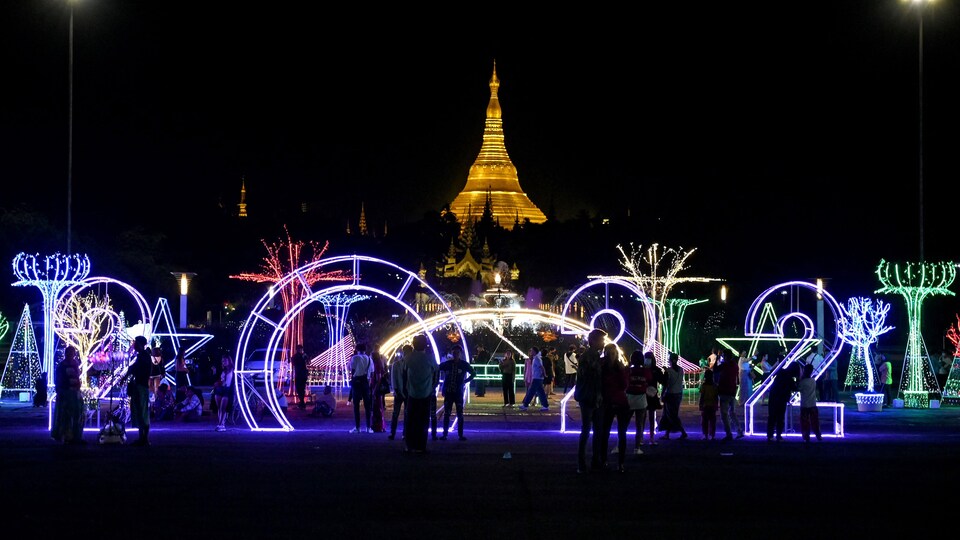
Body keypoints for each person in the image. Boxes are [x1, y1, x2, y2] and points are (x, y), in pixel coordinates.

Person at [575, 328, 606, 473]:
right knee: (588, 430)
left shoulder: (595, 356)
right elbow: (588, 376)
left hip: (594, 397)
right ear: (593, 341)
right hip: (589, 397)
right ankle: (583, 463)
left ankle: (593, 461)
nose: (604, 343)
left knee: (594, 430)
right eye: (602, 340)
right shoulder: (589, 356)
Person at [598, 343, 631, 473]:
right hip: (611, 402)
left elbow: (624, 385)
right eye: (609, 353)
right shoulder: (612, 367)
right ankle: (610, 461)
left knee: (617, 433)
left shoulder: (611, 367)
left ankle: (617, 462)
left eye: (613, 353)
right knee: (608, 432)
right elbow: (623, 385)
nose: (611, 356)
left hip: (615, 402)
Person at [403, 335, 438, 454]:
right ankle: (421, 445)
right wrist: (433, 386)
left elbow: (404, 371)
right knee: (423, 421)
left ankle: (409, 445)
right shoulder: (430, 358)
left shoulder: (409, 358)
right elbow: (436, 371)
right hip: (426, 393)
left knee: (411, 420)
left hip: (412, 393)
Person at [438, 347, 476, 440]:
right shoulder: (447, 364)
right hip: (449, 392)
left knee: (459, 413)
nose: (456, 354)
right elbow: (436, 368)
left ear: (460, 354)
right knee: (447, 413)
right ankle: (445, 434)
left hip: (458, 392)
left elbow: (473, 373)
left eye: (457, 353)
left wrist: (464, 381)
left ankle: (460, 434)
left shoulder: (463, 364)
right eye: (454, 353)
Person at [51, 345, 84, 444]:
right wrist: (60, 390)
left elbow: (77, 377)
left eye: (73, 353)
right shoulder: (62, 366)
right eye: (70, 353)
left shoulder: (75, 364)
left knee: (77, 414)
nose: (71, 355)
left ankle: (75, 435)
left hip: (74, 392)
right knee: (65, 415)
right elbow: (59, 380)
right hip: (66, 392)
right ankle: (66, 435)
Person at [128, 336, 154, 446]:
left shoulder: (144, 356)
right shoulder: (142, 356)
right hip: (139, 385)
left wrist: (131, 373)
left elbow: (137, 369)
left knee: (142, 411)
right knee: (139, 410)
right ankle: (141, 437)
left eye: (135, 342)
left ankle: (145, 438)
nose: (133, 344)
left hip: (141, 386)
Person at [767, 360, 801, 441]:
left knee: (772, 416)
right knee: (780, 417)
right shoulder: (789, 377)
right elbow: (795, 388)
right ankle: (778, 435)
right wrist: (799, 380)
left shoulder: (781, 371)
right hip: (782, 399)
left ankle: (770, 435)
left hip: (773, 396)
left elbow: (772, 372)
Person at [658, 353, 689, 440]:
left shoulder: (669, 371)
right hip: (679, 394)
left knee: (672, 415)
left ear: (671, 360)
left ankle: (683, 432)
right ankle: (667, 434)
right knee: (670, 414)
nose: (668, 360)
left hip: (671, 394)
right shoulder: (681, 370)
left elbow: (665, 384)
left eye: (669, 359)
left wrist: (662, 394)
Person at [716, 349, 744, 440]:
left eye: (724, 355)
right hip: (732, 391)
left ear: (726, 356)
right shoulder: (735, 365)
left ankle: (729, 434)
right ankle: (739, 430)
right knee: (732, 413)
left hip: (724, 391)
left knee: (724, 414)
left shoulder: (725, 365)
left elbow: (715, 369)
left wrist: (718, 357)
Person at [625, 350, 649, 455]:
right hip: (641, 399)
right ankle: (637, 447)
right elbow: (649, 379)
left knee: (624, 424)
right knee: (639, 425)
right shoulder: (645, 371)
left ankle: (619, 445)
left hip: (629, 398)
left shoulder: (628, 370)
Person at [348, 343, 374, 433]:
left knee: (356, 406)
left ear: (357, 349)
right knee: (367, 406)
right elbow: (372, 372)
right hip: (365, 383)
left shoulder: (355, 358)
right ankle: (368, 427)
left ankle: (357, 427)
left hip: (356, 382)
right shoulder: (369, 359)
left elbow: (352, 369)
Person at [388, 345, 411, 439]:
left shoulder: (411, 364)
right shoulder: (396, 364)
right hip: (399, 391)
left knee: (407, 413)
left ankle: (405, 433)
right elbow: (393, 378)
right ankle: (393, 433)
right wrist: (395, 389)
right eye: (406, 352)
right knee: (395, 413)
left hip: (408, 391)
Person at [519, 347, 549, 411]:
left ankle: (525, 405)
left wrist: (544, 374)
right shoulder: (536, 358)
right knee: (541, 392)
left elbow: (542, 367)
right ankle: (545, 405)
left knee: (531, 392)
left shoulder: (537, 359)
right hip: (537, 378)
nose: (530, 352)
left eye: (532, 351)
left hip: (537, 378)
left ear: (534, 351)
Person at [798, 363, 822, 441]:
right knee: (815, 421)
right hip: (812, 404)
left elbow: (798, 388)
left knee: (805, 422)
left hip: (804, 404)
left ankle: (806, 436)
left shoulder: (802, 382)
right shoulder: (813, 381)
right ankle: (818, 435)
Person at [213, 354, 235, 432]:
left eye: (225, 360)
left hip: (227, 390)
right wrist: (215, 374)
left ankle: (221, 424)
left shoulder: (233, 370)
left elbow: (233, 382)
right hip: (220, 389)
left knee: (223, 407)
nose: (224, 362)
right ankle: (221, 423)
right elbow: (219, 380)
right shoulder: (222, 370)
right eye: (223, 361)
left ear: (229, 361)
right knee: (219, 407)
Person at [698, 368, 719, 441]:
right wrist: (716, 405)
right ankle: (712, 435)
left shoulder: (704, 386)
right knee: (712, 421)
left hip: (705, 405)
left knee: (705, 421)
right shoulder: (715, 386)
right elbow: (716, 397)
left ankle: (705, 435)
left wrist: (700, 405)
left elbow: (702, 396)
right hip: (712, 405)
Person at [370, 351, 388, 432]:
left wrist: (374, 390)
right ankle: (380, 426)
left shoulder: (376, 366)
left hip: (376, 390)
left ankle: (378, 425)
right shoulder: (378, 365)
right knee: (378, 407)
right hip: (376, 389)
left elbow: (378, 379)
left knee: (377, 407)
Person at [291, 344, 308, 410]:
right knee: (299, 389)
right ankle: (302, 403)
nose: (300, 350)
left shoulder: (304, 356)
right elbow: (294, 363)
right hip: (299, 374)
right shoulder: (296, 356)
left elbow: (308, 362)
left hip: (302, 375)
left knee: (301, 389)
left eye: (301, 349)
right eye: (299, 349)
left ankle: (302, 404)